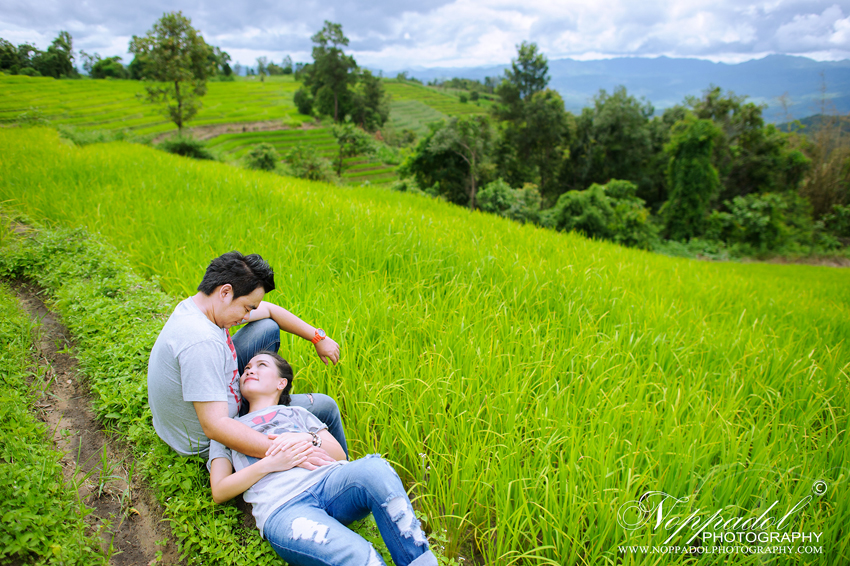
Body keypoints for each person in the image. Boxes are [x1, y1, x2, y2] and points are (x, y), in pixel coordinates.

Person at [209, 351, 437, 566]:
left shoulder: (298, 414)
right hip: (285, 508)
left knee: (376, 467)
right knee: (361, 557)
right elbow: (219, 491)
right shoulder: (226, 429)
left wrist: (306, 438)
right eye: (247, 367)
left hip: (330, 484)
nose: (249, 370)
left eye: (261, 365)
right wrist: (270, 464)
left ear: (281, 383)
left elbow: (338, 454)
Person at [148, 251, 348, 461]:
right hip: (211, 437)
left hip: (217, 397)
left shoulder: (199, 307)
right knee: (325, 407)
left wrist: (317, 337)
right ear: (225, 292)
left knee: (266, 327)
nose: (246, 316)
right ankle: (345, 475)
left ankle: (266, 400)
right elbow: (215, 427)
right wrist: (288, 454)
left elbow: (269, 310)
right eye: (246, 308)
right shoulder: (202, 343)